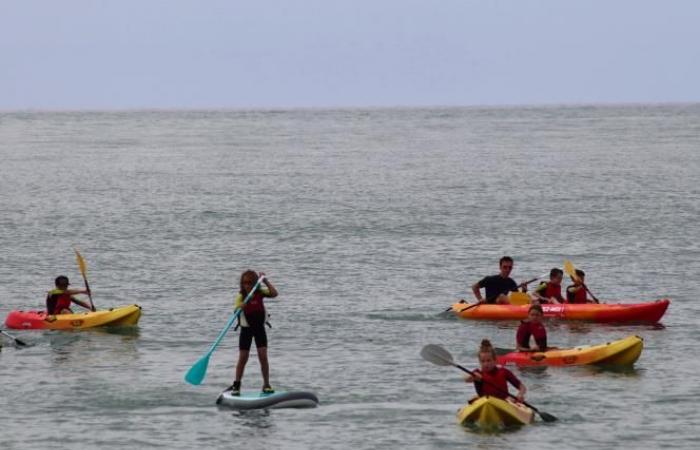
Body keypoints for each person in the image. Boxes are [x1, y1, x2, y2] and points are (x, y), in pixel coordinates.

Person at [228, 270, 278, 396]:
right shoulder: (241, 295)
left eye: (250, 282)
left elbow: (274, 293)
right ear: (242, 284)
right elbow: (236, 309)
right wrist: (240, 307)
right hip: (246, 330)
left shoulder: (260, 293)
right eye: (244, 283)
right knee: (243, 358)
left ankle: (266, 384)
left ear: (255, 283)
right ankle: (237, 384)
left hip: (259, 329)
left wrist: (265, 281)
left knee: (263, 357)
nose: (247, 285)